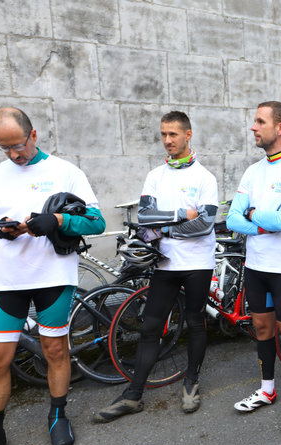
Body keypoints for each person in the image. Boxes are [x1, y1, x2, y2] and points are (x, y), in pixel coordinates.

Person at [0, 108, 106, 445]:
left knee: (53, 349)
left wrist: (58, 220)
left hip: (53, 275)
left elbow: (96, 222)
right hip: (8, 279)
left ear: (33, 135)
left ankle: (57, 415)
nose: (13, 154)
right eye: (4, 148)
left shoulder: (65, 171)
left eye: (17, 145)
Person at [93, 111, 218, 422]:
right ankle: (134, 395)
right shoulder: (155, 176)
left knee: (194, 321)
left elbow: (204, 224)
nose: (167, 141)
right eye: (163, 134)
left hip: (197, 264)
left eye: (173, 134)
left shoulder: (205, 177)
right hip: (165, 264)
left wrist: (166, 227)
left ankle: (191, 383)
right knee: (150, 327)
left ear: (188, 135)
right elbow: (145, 218)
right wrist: (181, 214)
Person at [227, 101, 281, 429]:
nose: (253, 127)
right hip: (256, 266)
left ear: (280, 128)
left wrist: (254, 215)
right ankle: (267, 391)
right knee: (262, 329)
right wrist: (261, 222)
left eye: (259, 121)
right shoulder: (253, 171)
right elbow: (233, 217)